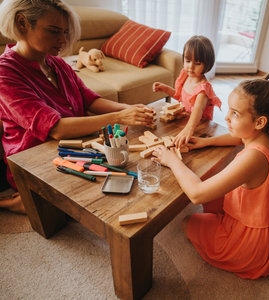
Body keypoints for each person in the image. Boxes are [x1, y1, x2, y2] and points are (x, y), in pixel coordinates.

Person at [0, 0, 154, 214]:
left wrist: (129, 108)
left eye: (65, 32)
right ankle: (13, 201)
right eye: (54, 31)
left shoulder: (57, 63)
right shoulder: (5, 73)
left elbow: (88, 99)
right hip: (35, 154)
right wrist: (121, 117)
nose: (63, 40)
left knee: (121, 169)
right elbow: (56, 129)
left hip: (76, 144)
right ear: (22, 23)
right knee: (84, 203)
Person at [152, 72, 269, 279]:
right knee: (215, 194)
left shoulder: (253, 158)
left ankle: (252, 257)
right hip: (266, 229)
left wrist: (171, 159)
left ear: (260, 122)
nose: (226, 117)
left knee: (187, 223)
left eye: (235, 113)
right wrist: (207, 142)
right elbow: (239, 139)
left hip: (250, 246)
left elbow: (197, 194)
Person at [153, 35, 221, 148]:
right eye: (188, 61)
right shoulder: (185, 76)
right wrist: (165, 88)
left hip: (199, 127)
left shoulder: (203, 89)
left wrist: (189, 129)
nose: (190, 66)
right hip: (186, 122)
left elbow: (198, 110)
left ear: (207, 64)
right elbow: (179, 96)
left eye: (197, 63)